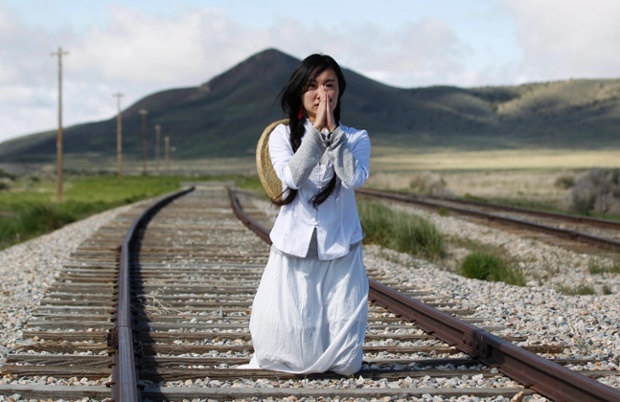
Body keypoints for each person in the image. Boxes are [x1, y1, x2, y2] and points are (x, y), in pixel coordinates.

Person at [242, 53, 371, 375]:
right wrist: (316, 132)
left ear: (339, 91)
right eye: (312, 86)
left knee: (341, 313)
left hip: (341, 240)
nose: (321, 94)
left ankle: (337, 361)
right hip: (293, 240)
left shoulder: (357, 138)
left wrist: (334, 135)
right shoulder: (281, 135)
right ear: (300, 92)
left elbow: (354, 179)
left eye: (329, 85)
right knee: (289, 313)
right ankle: (290, 358)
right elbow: (293, 177)